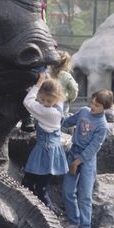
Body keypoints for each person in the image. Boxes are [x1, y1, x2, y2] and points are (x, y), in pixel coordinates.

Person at [62, 89, 113, 228]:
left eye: (97, 105)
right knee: (67, 190)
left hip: (87, 160)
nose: (92, 106)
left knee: (84, 194)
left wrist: (76, 163)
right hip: (73, 152)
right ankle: (74, 222)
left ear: (105, 107)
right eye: (92, 102)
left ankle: (85, 227)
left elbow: (93, 148)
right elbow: (67, 121)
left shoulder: (102, 126)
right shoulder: (84, 111)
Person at [22, 73, 68, 211]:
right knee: (32, 184)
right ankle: (41, 208)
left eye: (49, 101)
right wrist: (47, 80)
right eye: (42, 99)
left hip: (44, 152)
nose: (45, 103)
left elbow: (27, 101)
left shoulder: (48, 112)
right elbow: (54, 93)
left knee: (38, 188)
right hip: (52, 152)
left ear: (56, 98)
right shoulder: (60, 105)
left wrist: (39, 83)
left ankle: (49, 212)